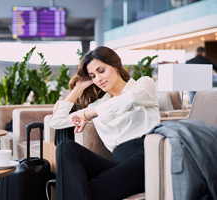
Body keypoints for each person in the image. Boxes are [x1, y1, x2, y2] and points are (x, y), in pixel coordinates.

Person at [49, 46, 160, 200]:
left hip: (146, 157)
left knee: (82, 190)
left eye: (101, 71)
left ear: (116, 66)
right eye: (93, 76)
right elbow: (56, 122)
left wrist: (89, 114)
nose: (98, 79)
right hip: (118, 164)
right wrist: (78, 88)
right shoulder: (99, 105)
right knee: (66, 148)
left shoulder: (142, 85)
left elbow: (130, 99)